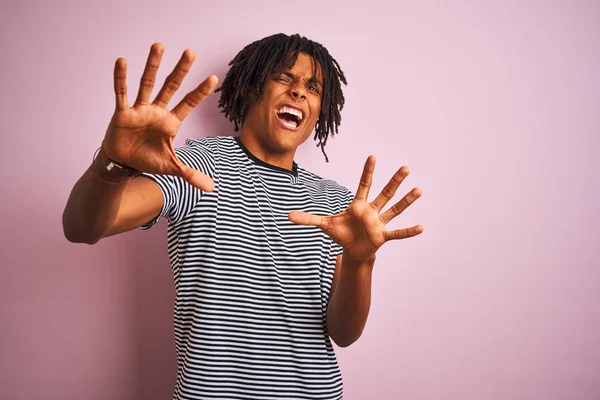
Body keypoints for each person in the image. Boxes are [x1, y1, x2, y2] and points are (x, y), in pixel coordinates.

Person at [63, 33, 423, 400]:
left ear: (319, 110)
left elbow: (343, 334)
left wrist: (362, 261)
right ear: (252, 87)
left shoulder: (337, 203)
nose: (299, 91)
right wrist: (113, 162)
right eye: (284, 77)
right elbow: (82, 227)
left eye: (313, 87)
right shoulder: (197, 165)